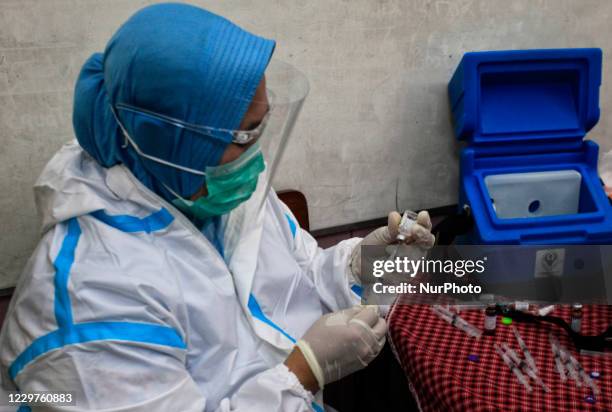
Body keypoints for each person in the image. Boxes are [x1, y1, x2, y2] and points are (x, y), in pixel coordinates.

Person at [0, 4, 434, 411]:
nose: (256, 157)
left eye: (260, 127)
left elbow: (296, 282)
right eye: (243, 136)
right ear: (173, 142)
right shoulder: (90, 296)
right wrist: (301, 374)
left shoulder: (210, 188)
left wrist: (360, 267)